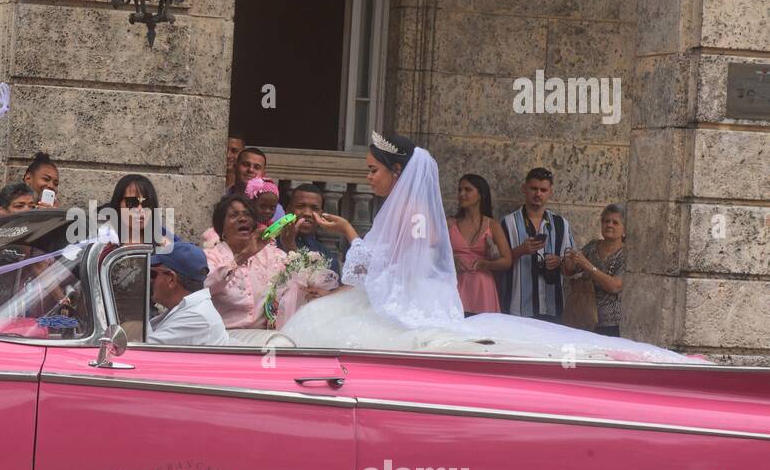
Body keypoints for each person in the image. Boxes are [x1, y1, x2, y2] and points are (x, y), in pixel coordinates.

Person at [280, 132, 689, 363]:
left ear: (397, 171)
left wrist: (350, 230)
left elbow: (396, 272)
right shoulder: (401, 208)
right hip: (399, 303)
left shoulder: (414, 213)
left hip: (411, 311)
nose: (368, 178)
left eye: (373, 170)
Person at [498, 167, 576, 322]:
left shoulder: (561, 224)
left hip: (552, 306)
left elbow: (571, 268)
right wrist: (521, 250)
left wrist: (559, 262)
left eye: (543, 190)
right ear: (524, 189)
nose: (538, 194)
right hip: (518, 308)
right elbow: (498, 264)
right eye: (533, 188)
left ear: (550, 192)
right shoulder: (508, 223)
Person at [205, 194, 287, 329]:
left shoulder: (269, 254)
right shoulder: (211, 257)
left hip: (264, 336)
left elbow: (295, 274)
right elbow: (204, 287)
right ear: (221, 228)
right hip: (225, 336)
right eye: (233, 215)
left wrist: (290, 244)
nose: (243, 219)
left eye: (247, 215)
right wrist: (243, 255)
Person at [448, 174, 511, 315]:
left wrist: (485, 264)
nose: (461, 194)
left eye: (468, 190)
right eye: (459, 190)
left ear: (481, 195)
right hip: (456, 285)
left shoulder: (492, 225)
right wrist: (451, 258)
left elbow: (507, 260)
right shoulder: (450, 223)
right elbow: (432, 252)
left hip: (483, 288)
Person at [148, 241, 229, 345]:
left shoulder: (196, 317)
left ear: (171, 279)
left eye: (153, 274)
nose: (150, 280)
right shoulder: (189, 308)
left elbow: (138, 351)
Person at [565, 204, 627, 336]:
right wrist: (564, 260)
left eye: (615, 222)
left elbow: (615, 286)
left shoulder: (626, 254)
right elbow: (570, 270)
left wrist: (587, 266)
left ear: (624, 229)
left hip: (611, 324)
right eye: (606, 221)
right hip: (585, 318)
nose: (609, 225)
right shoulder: (592, 246)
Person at [274, 183, 344, 272]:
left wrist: (291, 247)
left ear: (320, 214)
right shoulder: (269, 247)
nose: (307, 213)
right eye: (300, 206)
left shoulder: (328, 258)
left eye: (314, 208)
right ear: (288, 210)